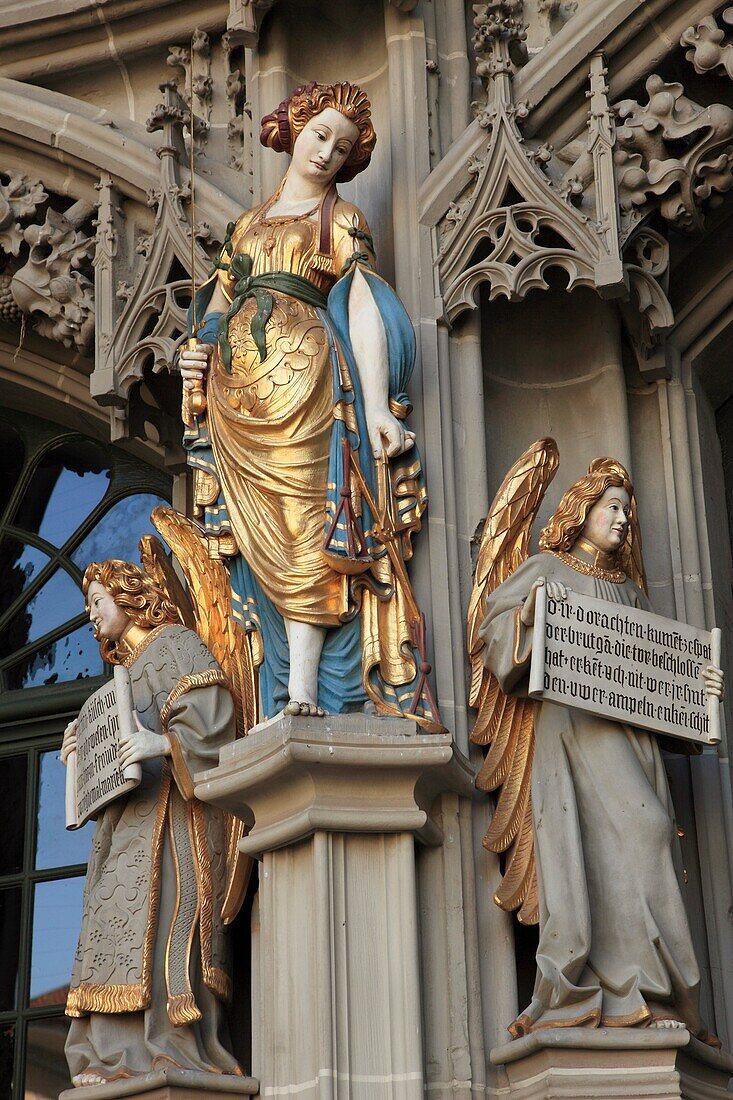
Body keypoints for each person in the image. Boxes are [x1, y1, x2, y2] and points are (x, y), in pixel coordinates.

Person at [177, 81, 439, 730]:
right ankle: (275, 688)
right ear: (294, 129)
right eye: (320, 134)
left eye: (342, 147)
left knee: (304, 528)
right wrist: (196, 353)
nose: (326, 152)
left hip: (305, 385)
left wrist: (377, 407)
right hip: (236, 405)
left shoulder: (342, 221)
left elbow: (360, 303)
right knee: (253, 535)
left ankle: (302, 689)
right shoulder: (246, 226)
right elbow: (216, 308)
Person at [479, 457, 724, 1039]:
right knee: (614, 842)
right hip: (573, 737)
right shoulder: (547, 570)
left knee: (654, 832)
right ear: (581, 510)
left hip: (630, 742)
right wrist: (530, 618)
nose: (622, 518)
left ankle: (650, 990)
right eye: (611, 506)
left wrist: (700, 695)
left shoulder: (634, 596)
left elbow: (660, 684)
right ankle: (597, 990)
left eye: (627, 510)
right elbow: (495, 634)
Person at [61, 560, 242, 1085]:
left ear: (130, 594)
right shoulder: (122, 676)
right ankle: (107, 1057)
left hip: (171, 822)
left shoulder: (176, 646)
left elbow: (215, 721)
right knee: (107, 926)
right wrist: (78, 756)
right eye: (88, 606)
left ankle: (172, 1049)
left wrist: (162, 743)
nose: (91, 615)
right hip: (123, 831)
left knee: (162, 926)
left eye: (98, 601)